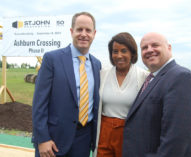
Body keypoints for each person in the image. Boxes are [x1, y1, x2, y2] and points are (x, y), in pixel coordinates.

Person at [122, 32, 191, 157]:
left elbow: (176, 140)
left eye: (155, 45)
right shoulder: (153, 78)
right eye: (144, 48)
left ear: (169, 48)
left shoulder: (181, 78)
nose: (149, 50)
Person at [32, 12, 101, 157]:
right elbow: (39, 103)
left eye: (88, 30)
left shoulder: (97, 65)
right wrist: (42, 138)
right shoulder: (52, 59)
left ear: (94, 34)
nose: (83, 34)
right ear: (71, 31)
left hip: (83, 140)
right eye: (79, 29)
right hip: (52, 142)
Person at [93, 32, 148, 157]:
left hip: (128, 133)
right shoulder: (103, 74)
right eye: (115, 51)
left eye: (124, 51)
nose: (119, 55)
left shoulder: (143, 76)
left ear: (132, 53)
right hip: (104, 133)